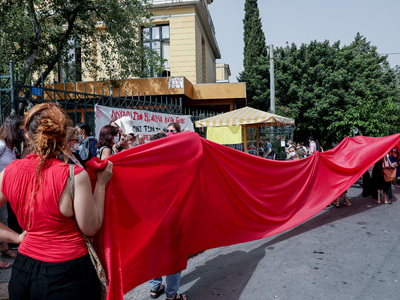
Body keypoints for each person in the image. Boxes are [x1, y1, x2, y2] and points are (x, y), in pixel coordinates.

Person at [0, 103, 113, 298]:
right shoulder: (74, 175)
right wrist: (101, 185)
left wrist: (17, 238)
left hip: (24, 270)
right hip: (68, 272)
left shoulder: (8, 172)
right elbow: (91, 227)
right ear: (63, 137)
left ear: (27, 135)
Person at [148, 130, 188, 300]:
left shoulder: (144, 165)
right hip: (171, 216)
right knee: (173, 255)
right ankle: (172, 295)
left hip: (149, 217)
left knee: (154, 253)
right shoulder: (174, 165)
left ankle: (155, 288)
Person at [0, 115, 24, 268]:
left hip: (4, 190)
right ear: (14, 128)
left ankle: (5, 248)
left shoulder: (12, 147)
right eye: (21, 127)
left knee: (4, 219)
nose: (23, 130)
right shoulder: (1, 145)